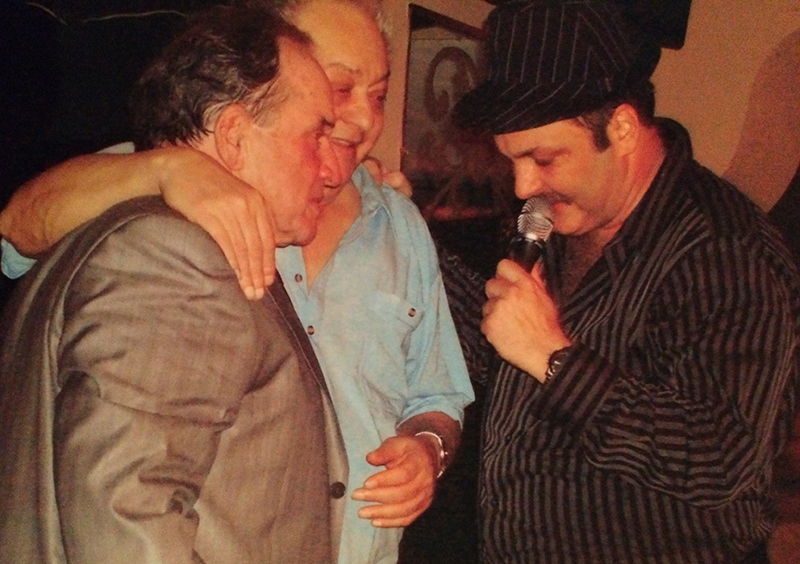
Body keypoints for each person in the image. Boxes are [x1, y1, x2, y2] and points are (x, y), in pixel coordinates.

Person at [0, 1, 474, 563]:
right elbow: (17, 230)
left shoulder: (398, 224)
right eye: (340, 87)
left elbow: (438, 391)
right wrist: (164, 169)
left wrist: (428, 448)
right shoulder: (166, 189)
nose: (365, 118)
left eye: (378, 94)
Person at [448, 1, 800, 563]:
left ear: (622, 128)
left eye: (543, 159)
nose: (523, 187)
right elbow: (499, 346)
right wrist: (393, 230)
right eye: (512, 160)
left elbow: (720, 460)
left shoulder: (727, 251)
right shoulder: (562, 218)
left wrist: (553, 358)